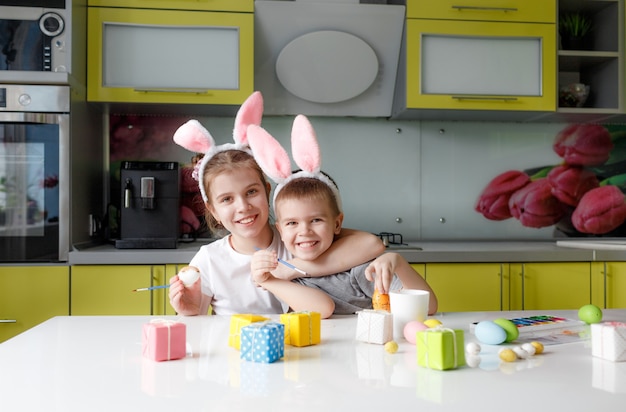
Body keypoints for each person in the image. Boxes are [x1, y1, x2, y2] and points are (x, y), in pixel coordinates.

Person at [168, 92, 385, 316]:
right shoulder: (209, 260)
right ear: (213, 210)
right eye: (227, 199)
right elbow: (199, 329)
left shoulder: (297, 237)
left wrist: (292, 269)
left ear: (267, 191)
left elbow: (372, 245)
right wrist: (191, 310)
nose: (243, 206)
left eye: (251, 192)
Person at [248, 114, 438, 318]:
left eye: (316, 220)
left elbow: (427, 307)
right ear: (281, 231)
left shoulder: (360, 270)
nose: (304, 231)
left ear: (337, 223)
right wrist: (268, 280)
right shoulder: (289, 274)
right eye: (292, 223)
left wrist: (398, 262)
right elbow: (320, 308)